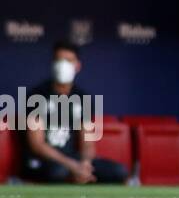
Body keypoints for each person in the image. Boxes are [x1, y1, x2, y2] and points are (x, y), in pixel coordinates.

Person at [21, 41, 128, 185]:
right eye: (59, 60)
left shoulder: (83, 98)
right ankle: (77, 179)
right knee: (59, 172)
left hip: (72, 159)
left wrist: (85, 164)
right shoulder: (37, 96)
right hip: (43, 160)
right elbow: (37, 145)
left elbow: (88, 143)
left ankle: (82, 178)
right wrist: (71, 165)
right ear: (52, 64)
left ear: (77, 65)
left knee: (118, 171)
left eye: (68, 61)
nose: (63, 65)